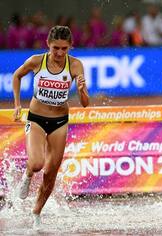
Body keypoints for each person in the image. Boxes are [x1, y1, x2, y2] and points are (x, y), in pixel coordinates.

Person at [12, 25, 89, 229]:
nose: (59, 53)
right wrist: (18, 105)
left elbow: (85, 103)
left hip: (60, 121)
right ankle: (28, 175)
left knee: (50, 173)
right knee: (37, 163)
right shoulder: (37, 61)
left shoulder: (75, 66)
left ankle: (37, 212)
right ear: (48, 44)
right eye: (56, 48)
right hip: (36, 117)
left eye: (64, 49)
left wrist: (82, 91)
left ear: (70, 47)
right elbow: (16, 76)